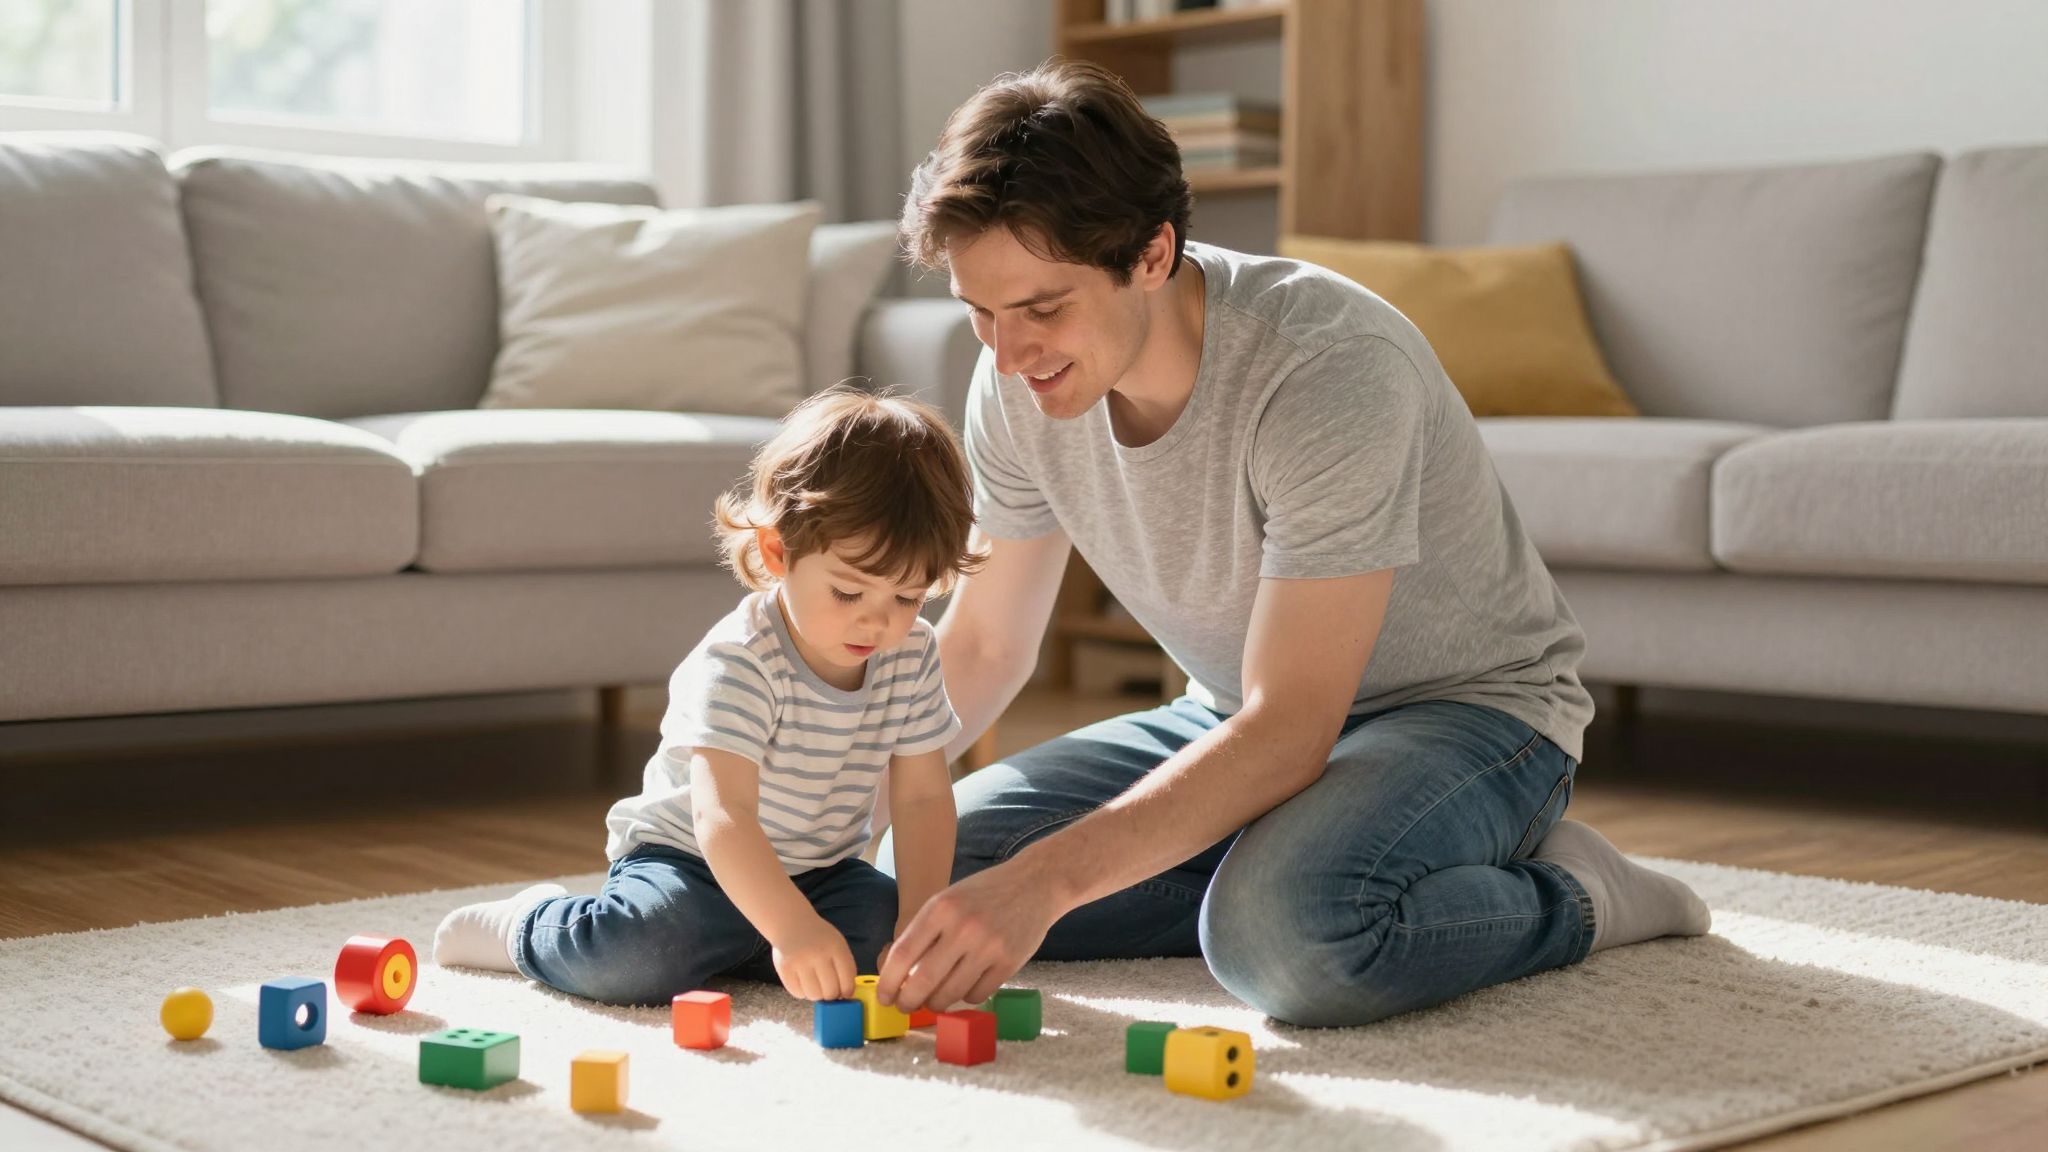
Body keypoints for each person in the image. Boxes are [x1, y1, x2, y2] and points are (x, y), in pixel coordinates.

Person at [874, 61, 1710, 1027]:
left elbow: (1291, 725)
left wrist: (1051, 884)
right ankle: (1298, 864)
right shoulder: (1016, 387)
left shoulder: (1326, 367)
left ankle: (1576, 894)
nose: (1008, 354)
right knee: (932, 863)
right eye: (979, 311)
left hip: (1469, 717)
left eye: (1042, 308)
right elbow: (982, 647)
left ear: (1151, 253)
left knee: (1283, 937)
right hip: (1232, 716)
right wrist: (818, 781)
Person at [434, 387, 981, 1006]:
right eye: (850, 594)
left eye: (907, 598)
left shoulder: (911, 654)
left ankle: (747, 948)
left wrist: (917, 921)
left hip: (819, 874)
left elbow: (924, 797)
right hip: (690, 864)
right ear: (779, 553)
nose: (877, 625)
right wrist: (792, 928)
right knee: (636, 955)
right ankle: (531, 924)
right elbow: (724, 817)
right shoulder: (743, 658)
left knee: (883, 927)